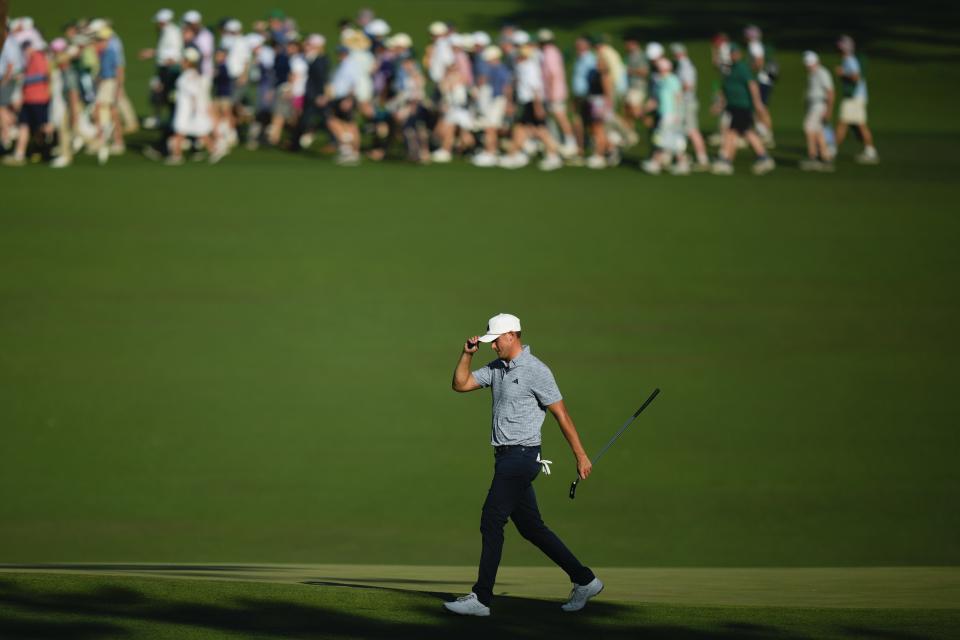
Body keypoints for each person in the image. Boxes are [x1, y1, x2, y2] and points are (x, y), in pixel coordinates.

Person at [445, 313, 602, 616]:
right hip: (505, 457)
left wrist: (580, 455)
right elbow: (460, 384)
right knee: (531, 528)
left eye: (496, 341)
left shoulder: (536, 370)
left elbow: (562, 415)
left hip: (522, 456)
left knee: (492, 519)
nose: (493, 347)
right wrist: (466, 354)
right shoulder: (497, 368)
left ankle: (481, 599)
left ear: (512, 335)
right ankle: (585, 580)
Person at [711, 44, 774, 175]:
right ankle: (761, 157)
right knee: (745, 132)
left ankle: (727, 160)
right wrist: (719, 104)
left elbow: (752, 85)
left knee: (733, 132)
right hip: (734, 106)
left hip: (742, 106)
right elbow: (725, 89)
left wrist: (757, 103)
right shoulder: (730, 70)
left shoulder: (741, 68)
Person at [498, 44, 563, 171]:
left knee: (540, 131)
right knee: (520, 129)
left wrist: (538, 107)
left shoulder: (530, 68)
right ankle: (513, 154)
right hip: (527, 102)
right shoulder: (522, 67)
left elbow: (536, 89)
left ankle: (553, 155)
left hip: (533, 102)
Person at [3, 39, 52, 166]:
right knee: (23, 125)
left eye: (27, 48)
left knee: (42, 127)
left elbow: (42, 75)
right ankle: (19, 154)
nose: (25, 51)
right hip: (27, 99)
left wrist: (24, 79)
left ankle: (47, 150)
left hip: (39, 99)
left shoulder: (38, 57)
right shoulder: (28, 60)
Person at [168, 47, 221, 165]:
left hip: (186, 110)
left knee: (181, 131)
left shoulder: (189, 76)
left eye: (183, 59)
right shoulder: (190, 74)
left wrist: (194, 109)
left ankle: (176, 156)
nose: (181, 61)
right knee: (197, 132)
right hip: (187, 109)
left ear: (188, 61)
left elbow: (194, 95)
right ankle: (213, 150)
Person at [835, 35, 878, 164]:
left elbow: (856, 77)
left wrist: (842, 73)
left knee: (844, 123)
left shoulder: (849, 60)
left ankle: (831, 150)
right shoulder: (849, 59)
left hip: (854, 97)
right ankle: (870, 151)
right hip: (857, 96)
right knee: (858, 124)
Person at [671, 43, 709, 170]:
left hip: (687, 102)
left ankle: (702, 158)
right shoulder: (683, 65)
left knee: (692, 130)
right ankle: (686, 157)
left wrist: (674, 93)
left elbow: (688, 85)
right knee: (685, 130)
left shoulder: (685, 66)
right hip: (686, 102)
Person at [800, 50, 835, 171]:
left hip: (819, 105)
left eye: (809, 64)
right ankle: (825, 159)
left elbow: (830, 92)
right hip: (814, 105)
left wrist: (829, 110)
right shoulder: (813, 73)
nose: (807, 66)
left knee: (808, 128)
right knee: (818, 131)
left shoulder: (822, 72)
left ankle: (813, 157)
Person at [0, 20, 26, 152]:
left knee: (1, 108)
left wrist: (3, 82)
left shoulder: (8, 42)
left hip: (8, 79)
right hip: (9, 78)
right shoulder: (10, 41)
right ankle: (6, 134)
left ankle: (10, 132)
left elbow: (10, 65)